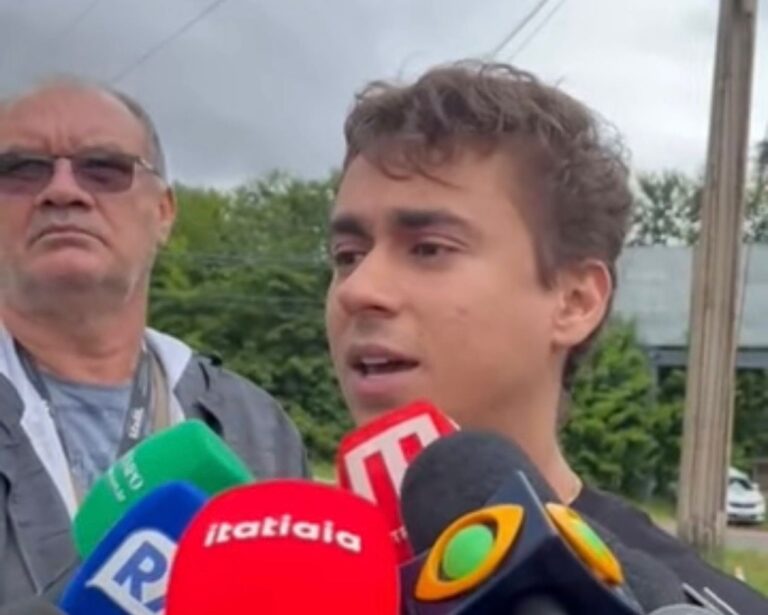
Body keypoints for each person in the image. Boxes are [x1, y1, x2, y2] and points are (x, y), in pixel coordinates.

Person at [324, 61, 767, 611]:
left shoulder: (679, 600)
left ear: (575, 301)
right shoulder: (259, 577)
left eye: (428, 249)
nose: (357, 289)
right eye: (347, 256)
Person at [0, 78, 308, 605]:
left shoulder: (256, 425)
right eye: (22, 169)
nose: (63, 191)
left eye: (104, 168)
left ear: (163, 213)